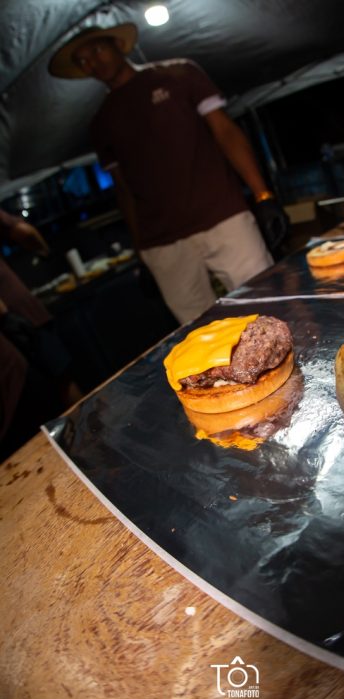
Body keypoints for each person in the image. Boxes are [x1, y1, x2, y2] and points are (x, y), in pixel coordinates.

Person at [48, 23, 289, 324]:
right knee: (199, 328)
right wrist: (141, 252)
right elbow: (123, 189)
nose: (93, 62)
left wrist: (263, 195)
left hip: (222, 215)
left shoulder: (178, 74)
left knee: (268, 305)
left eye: (97, 50)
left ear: (118, 45)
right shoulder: (101, 122)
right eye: (83, 60)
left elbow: (225, 131)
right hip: (161, 241)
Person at [0, 209, 81, 461]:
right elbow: (25, 233)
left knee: (54, 388)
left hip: (16, 317)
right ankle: (89, 440)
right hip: (17, 316)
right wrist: (44, 251)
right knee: (60, 384)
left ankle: (84, 443)